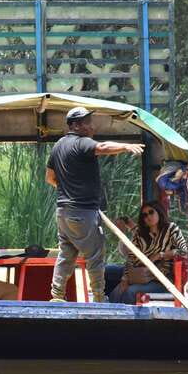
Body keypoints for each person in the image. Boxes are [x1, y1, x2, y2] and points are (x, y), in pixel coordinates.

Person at [45, 107, 144, 302]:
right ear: (76, 125)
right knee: (95, 255)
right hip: (83, 212)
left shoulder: (57, 146)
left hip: (63, 212)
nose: (92, 126)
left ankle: (57, 296)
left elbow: (49, 178)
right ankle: (99, 298)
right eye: (88, 122)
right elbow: (103, 147)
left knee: (66, 254)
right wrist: (125, 147)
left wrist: (67, 187)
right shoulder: (82, 143)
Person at [108, 201, 188, 305]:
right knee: (117, 290)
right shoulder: (140, 234)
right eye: (145, 215)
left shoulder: (171, 229)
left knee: (130, 291)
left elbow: (184, 251)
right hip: (141, 275)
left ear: (158, 212)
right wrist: (125, 278)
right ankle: (110, 313)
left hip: (162, 280)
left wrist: (161, 255)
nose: (148, 216)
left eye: (151, 212)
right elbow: (131, 259)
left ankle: (126, 317)